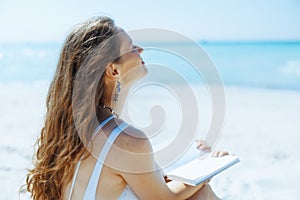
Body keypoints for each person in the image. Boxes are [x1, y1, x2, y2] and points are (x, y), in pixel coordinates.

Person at [25, 16, 228, 199]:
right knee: (202, 194)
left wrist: (197, 160)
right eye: (131, 48)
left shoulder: (73, 132)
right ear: (113, 70)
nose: (140, 49)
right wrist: (206, 172)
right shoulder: (125, 140)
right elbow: (165, 199)